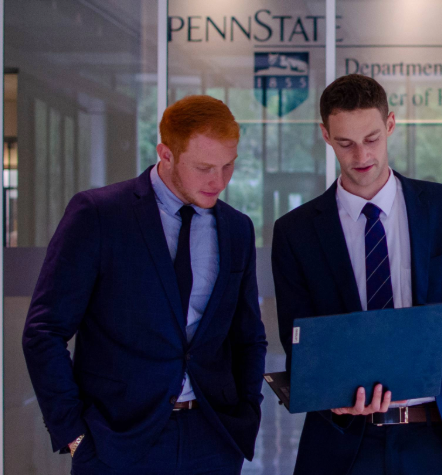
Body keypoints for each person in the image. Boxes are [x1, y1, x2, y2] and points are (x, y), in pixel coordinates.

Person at [22, 95, 267, 474]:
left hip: (213, 440)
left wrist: (248, 409)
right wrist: (74, 436)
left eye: (228, 166)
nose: (218, 181)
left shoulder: (236, 228)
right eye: (203, 167)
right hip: (117, 443)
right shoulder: (99, 215)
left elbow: (247, 335)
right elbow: (44, 331)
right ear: (165, 155)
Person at [271, 74, 442, 475]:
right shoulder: (296, 231)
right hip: (342, 443)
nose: (361, 154)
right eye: (345, 142)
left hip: (437, 438)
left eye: (372, 138)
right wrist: (330, 390)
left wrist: (417, 328)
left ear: (390, 124)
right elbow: (298, 339)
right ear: (325, 135)